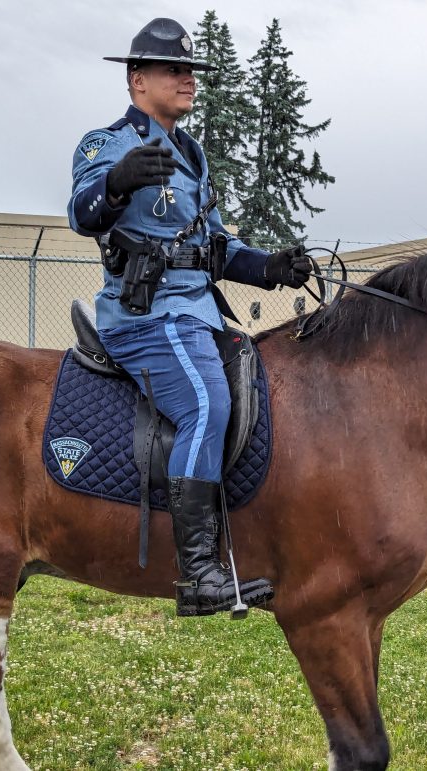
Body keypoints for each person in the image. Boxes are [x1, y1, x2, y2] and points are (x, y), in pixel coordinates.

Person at [67, 17, 312, 617]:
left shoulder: (193, 156)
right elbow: (82, 213)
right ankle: (199, 572)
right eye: (175, 70)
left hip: (199, 314)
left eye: (191, 71)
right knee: (206, 403)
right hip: (147, 319)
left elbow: (218, 248)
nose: (188, 80)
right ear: (137, 79)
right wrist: (119, 185)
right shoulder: (108, 144)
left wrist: (273, 267)